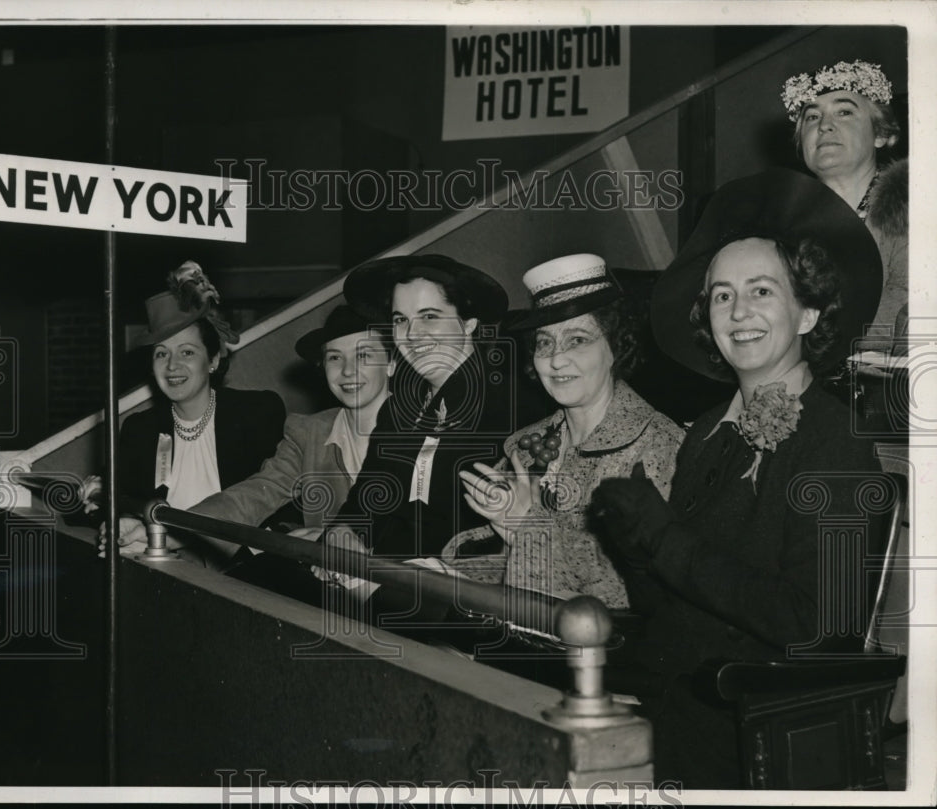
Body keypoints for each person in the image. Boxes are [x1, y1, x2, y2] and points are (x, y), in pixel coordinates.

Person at [590, 169, 886, 787]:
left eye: (762, 291)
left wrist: (666, 540)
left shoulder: (835, 442)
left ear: (807, 314)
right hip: (674, 702)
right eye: (722, 295)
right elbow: (678, 603)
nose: (738, 312)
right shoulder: (705, 430)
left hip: (756, 724)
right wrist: (638, 553)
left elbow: (818, 623)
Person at [448, 254, 683, 607]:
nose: (556, 360)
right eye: (545, 343)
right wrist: (440, 573)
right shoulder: (524, 446)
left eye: (577, 340)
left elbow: (635, 592)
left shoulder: (660, 447)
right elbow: (500, 559)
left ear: (616, 348)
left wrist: (528, 527)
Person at [95, 261, 286, 567]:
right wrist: (116, 522)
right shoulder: (140, 428)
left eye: (187, 352)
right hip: (169, 569)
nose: (172, 366)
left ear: (212, 361)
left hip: (245, 571)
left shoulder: (257, 412)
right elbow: (112, 500)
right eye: (161, 354)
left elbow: (277, 504)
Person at [328, 254, 515, 562]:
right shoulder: (397, 411)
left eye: (429, 316)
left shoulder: (509, 408)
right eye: (401, 319)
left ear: (469, 322)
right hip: (381, 581)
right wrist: (344, 529)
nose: (412, 335)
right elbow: (365, 500)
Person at [189, 304, 394, 531]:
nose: (347, 371)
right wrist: (178, 528)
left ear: (391, 363)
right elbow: (255, 493)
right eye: (335, 357)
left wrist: (327, 541)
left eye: (363, 355)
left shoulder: (427, 429)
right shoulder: (310, 433)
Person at [782, 59, 907, 340]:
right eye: (812, 117)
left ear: (881, 134)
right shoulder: (780, 224)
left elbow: (909, 314)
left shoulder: (915, 209)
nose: (825, 125)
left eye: (844, 112)